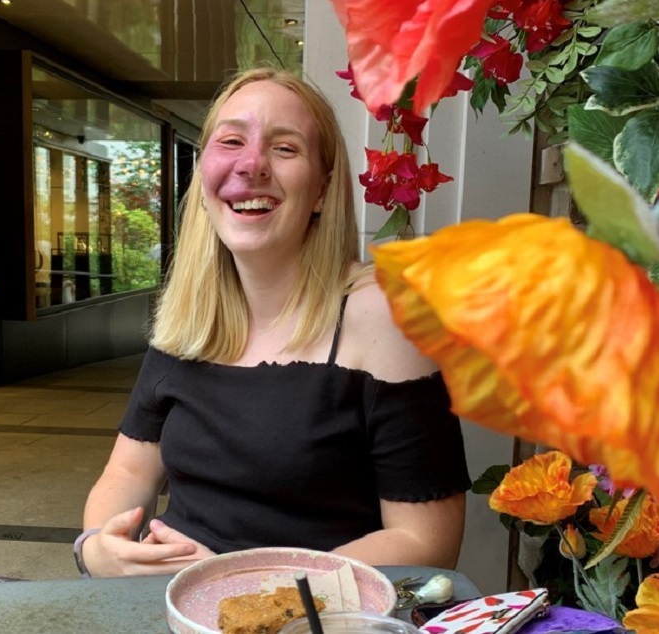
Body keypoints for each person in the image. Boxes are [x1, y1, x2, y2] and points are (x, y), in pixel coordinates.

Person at [78, 68, 470, 578]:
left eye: (285, 149)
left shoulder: (387, 314)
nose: (251, 165)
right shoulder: (190, 311)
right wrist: (96, 549)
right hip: (172, 608)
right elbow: (128, 470)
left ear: (324, 190)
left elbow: (428, 543)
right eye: (232, 141)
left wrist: (244, 584)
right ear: (202, 177)